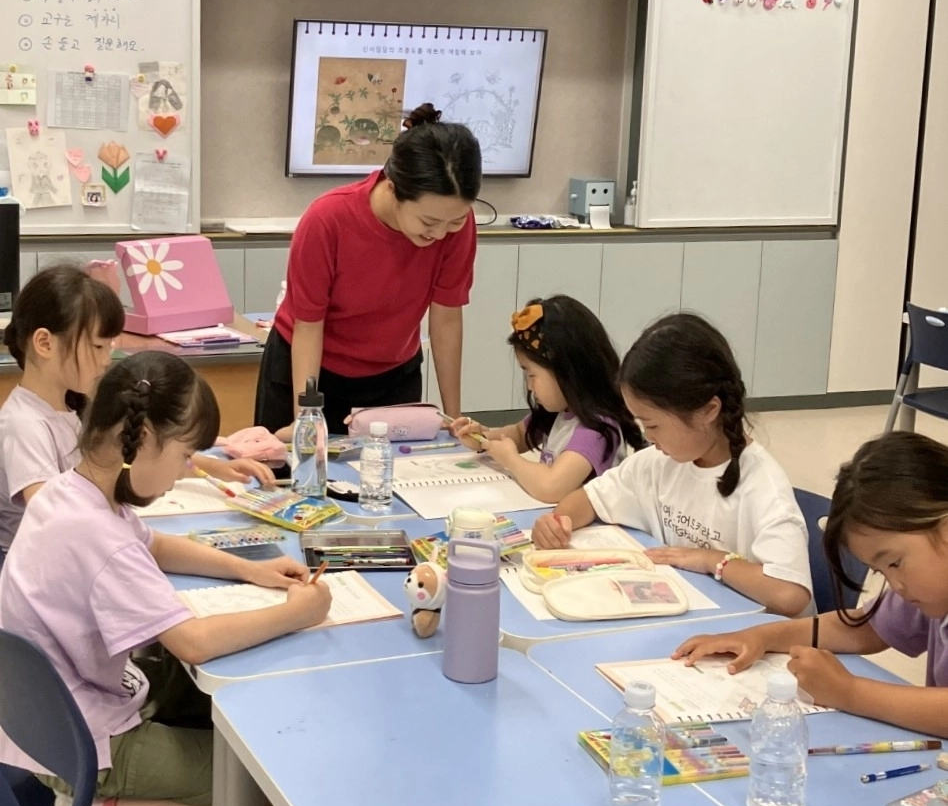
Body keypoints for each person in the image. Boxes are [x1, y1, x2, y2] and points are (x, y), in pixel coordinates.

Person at [0, 352, 331, 806]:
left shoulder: (68, 491)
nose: (182, 474)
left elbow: (154, 545)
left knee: (244, 709)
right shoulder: (99, 536)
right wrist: (298, 612)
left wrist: (248, 570)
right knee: (278, 786)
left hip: (51, 722)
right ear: (145, 440)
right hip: (89, 750)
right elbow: (191, 642)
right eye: (183, 456)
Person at [531, 313, 812, 617]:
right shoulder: (658, 462)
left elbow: (790, 594)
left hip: (753, 641)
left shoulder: (762, 487)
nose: (649, 438)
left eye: (653, 425)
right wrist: (559, 522)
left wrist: (711, 560)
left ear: (708, 411)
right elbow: (586, 499)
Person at [673, 432, 948, 736]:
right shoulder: (932, 587)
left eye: (895, 562)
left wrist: (849, 691)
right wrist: (762, 636)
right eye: (880, 571)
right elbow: (868, 628)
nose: (896, 584)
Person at [0, 265, 276, 554]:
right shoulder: (23, 424)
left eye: (110, 347)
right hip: (50, 569)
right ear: (45, 343)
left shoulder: (71, 406)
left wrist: (213, 466)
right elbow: (53, 517)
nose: (107, 360)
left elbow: (128, 454)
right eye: (97, 347)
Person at [254, 102, 482, 437]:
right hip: (310, 371)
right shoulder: (328, 219)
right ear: (393, 189)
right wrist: (306, 420)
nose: (440, 234)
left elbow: (446, 318)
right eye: (429, 221)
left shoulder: (455, 227)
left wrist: (454, 419)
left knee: (391, 480)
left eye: (455, 220)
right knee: (294, 474)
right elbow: (309, 326)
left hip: (393, 377)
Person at [451, 296, 644, 503]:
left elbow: (551, 487)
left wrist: (510, 459)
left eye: (532, 375)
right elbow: (518, 434)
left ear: (566, 370)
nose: (529, 386)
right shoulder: (560, 412)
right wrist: (483, 438)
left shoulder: (596, 428)